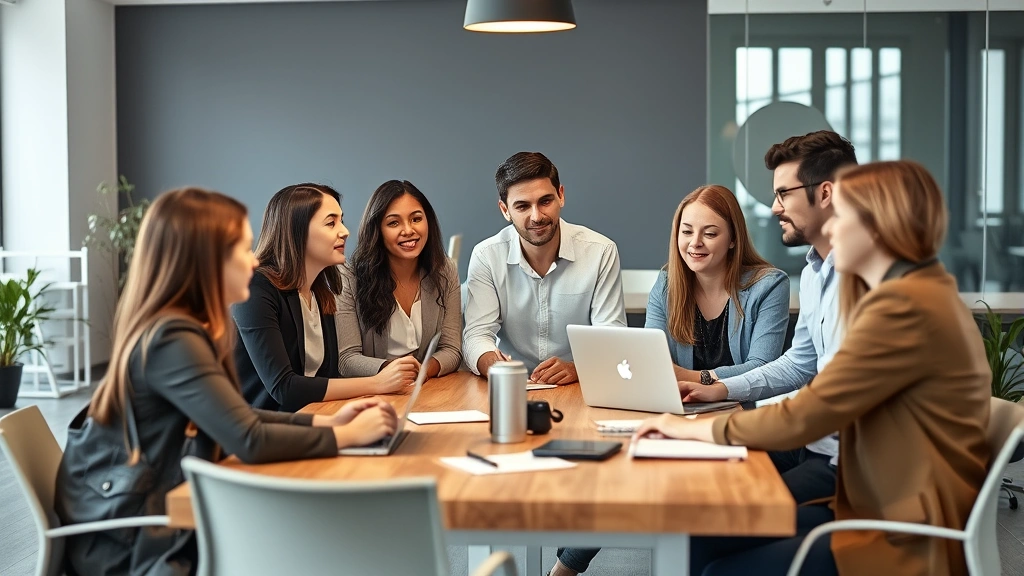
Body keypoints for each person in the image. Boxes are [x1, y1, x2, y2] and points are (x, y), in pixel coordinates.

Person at [636, 160, 991, 576]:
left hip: (895, 524)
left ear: (880, 224)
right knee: (699, 532)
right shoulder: (908, 292)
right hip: (867, 491)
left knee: (715, 560)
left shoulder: (904, 308)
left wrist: (691, 429)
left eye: (843, 216)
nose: (832, 230)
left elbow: (810, 413)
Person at [56, 188, 399, 576]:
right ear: (206, 260)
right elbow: (248, 438)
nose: (253, 260)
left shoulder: (182, 328)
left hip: (151, 516)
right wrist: (346, 437)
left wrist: (328, 422)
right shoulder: (172, 338)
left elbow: (239, 416)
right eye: (241, 248)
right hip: (131, 541)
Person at [550, 184, 791, 576]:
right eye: (686, 231)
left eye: (710, 233)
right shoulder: (668, 281)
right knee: (615, 471)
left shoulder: (768, 285)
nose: (694, 243)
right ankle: (564, 570)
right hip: (674, 412)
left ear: (733, 239)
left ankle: (562, 571)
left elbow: (762, 365)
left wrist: (699, 378)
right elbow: (650, 353)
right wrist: (669, 378)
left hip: (732, 419)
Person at [680, 130, 857, 505]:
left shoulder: (866, 278)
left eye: (783, 194)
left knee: (709, 518)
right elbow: (799, 364)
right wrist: (720, 389)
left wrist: (727, 426)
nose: (775, 207)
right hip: (813, 445)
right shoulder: (814, 273)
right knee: (697, 495)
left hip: (850, 466)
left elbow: (832, 399)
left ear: (825, 193)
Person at [234, 183, 420, 412]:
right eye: (331, 223)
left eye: (341, 220)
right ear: (297, 231)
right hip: (264, 434)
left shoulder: (321, 289)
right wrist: (377, 383)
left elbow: (327, 377)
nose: (344, 231)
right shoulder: (255, 289)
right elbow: (284, 388)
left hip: (314, 419)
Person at [462, 151, 626, 384]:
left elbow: (612, 338)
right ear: (505, 210)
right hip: (509, 384)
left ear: (561, 196)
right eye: (522, 206)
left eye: (545, 201)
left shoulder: (601, 251)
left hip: (580, 384)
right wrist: (495, 366)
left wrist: (578, 368)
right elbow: (476, 335)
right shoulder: (486, 256)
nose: (536, 216)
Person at [336, 180, 461, 378]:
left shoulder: (445, 271)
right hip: (372, 393)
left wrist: (423, 371)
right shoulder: (349, 278)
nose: (408, 230)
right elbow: (347, 359)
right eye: (394, 223)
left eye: (416, 219)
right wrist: (392, 371)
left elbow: (452, 349)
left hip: (425, 389)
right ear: (377, 230)